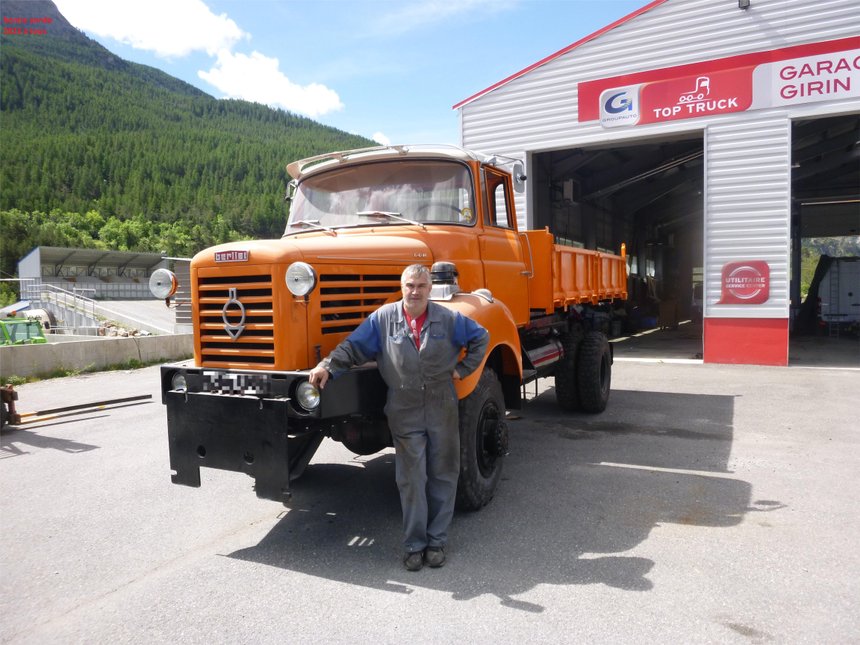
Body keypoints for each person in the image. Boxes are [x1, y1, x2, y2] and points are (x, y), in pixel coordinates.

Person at [308, 264, 489, 571]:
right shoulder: (383, 319)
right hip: (404, 408)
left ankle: (437, 542)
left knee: (444, 472)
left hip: (441, 403)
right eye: (409, 285)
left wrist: (463, 370)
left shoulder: (449, 318)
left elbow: (481, 338)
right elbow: (353, 347)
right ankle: (414, 545)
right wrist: (328, 365)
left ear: (430, 289)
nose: (414, 291)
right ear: (402, 287)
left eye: (421, 285)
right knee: (411, 478)